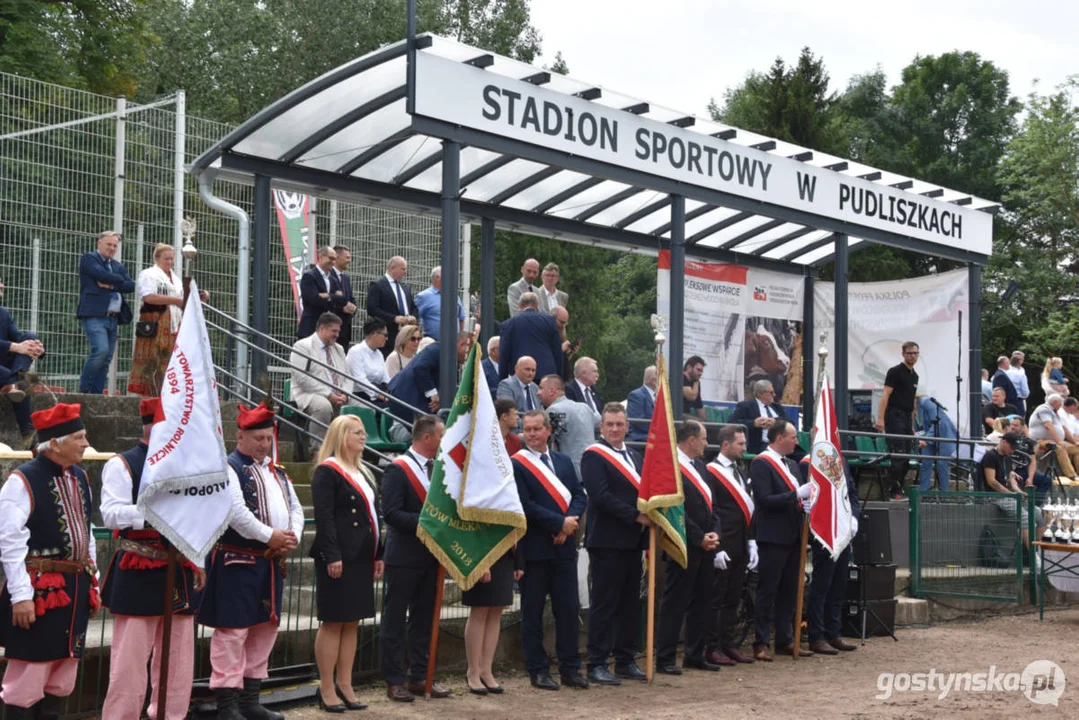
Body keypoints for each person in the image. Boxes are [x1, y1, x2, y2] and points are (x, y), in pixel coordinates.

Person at [100, 397, 205, 720]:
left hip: (180, 570)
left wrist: (197, 555)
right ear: (153, 426)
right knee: (129, 664)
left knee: (178, 663)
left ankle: (171, 716)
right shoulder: (123, 464)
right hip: (139, 568)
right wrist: (151, 513)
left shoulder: (186, 465)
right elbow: (111, 514)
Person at [198, 402, 304, 720]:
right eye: (257, 438)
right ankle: (227, 705)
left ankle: (250, 702)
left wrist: (291, 536)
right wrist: (270, 536)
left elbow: (296, 508)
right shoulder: (228, 468)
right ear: (240, 436)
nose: (264, 443)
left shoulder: (278, 472)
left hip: (270, 563)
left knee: (265, 628)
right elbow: (235, 513)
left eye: (267, 437)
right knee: (232, 632)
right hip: (236, 561)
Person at [0, 403, 97, 718]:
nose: (85, 444)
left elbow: (87, 530)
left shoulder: (80, 477)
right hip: (40, 591)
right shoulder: (22, 480)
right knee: (29, 675)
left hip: (75, 588)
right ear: (55, 443)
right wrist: (21, 596)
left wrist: (92, 582)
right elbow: (10, 542)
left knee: (63, 673)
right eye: (79, 437)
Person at [310, 415, 383, 712]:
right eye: (357, 432)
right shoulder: (328, 471)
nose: (363, 437)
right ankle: (326, 686)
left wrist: (379, 553)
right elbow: (324, 517)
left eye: (364, 433)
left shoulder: (363, 471)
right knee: (333, 621)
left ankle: (346, 683)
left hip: (362, 556)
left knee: (352, 622)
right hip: (339, 556)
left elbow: (375, 516)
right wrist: (332, 555)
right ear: (341, 436)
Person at [512, 410, 588, 691]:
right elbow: (524, 504)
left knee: (567, 611)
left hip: (564, 550)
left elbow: (579, 495)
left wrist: (568, 525)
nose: (531, 434)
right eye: (527, 429)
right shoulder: (517, 464)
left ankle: (570, 668)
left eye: (536, 429)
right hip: (535, 550)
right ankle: (538, 670)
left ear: (547, 431)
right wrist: (559, 523)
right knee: (532, 614)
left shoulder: (563, 461)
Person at [380, 416, 452, 702]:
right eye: (440, 436)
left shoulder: (438, 470)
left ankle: (420, 676)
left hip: (431, 556)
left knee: (423, 619)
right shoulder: (398, 469)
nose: (443, 441)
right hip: (404, 555)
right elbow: (392, 513)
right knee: (395, 619)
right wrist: (429, 522)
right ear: (427, 438)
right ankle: (394, 679)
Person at [579, 403, 649, 686]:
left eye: (619, 424)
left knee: (630, 604)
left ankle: (625, 659)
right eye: (610, 425)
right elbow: (600, 496)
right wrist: (636, 516)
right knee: (604, 604)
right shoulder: (593, 455)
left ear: (627, 426)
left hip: (633, 541)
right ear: (602, 427)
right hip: (607, 540)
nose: (615, 429)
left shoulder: (635, 455)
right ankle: (597, 662)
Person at [656, 420, 722, 674]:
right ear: (691, 440)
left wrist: (715, 532)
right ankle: (665, 657)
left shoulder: (701, 468)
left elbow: (712, 505)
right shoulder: (673, 467)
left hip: (706, 545)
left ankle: (695, 653)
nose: (707, 443)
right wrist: (698, 537)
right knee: (675, 603)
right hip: (683, 543)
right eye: (704, 438)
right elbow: (675, 510)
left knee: (702, 602)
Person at [750, 420, 814, 661]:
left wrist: (802, 502)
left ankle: (785, 639)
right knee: (768, 590)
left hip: (794, 533)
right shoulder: (761, 464)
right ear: (779, 438)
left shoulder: (791, 465)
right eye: (793, 437)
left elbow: (793, 499)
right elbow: (765, 499)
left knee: (790, 590)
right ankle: (761, 641)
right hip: (773, 536)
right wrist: (796, 495)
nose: (796, 442)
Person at [705, 425, 757, 666]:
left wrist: (752, 541)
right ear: (725, 445)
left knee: (733, 597)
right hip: (722, 543)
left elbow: (748, 508)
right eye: (741, 444)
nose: (745, 448)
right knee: (716, 598)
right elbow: (712, 510)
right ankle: (712, 646)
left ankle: (728, 643)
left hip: (741, 543)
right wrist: (717, 547)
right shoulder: (711, 472)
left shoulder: (740, 469)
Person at [800, 454, 860, 656]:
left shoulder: (841, 462)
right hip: (824, 531)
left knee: (838, 584)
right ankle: (817, 636)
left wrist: (854, 518)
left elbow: (851, 493)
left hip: (842, 531)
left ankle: (833, 632)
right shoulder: (807, 463)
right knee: (821, 586)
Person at [77, 230, 135, 394]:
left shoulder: (118, 265)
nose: (111, 248)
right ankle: (85, 390)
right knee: (100, 351)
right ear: (99, 243)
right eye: (109, 244)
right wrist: (118, 279)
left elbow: (130, 285)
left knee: (107, 358)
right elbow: (99, 273)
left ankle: (96, 392)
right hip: (95, 314)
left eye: (115, 246)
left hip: (113, 318)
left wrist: (110, 284)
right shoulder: (89, 259)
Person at [386, 332, 471, 431]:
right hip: (404, 396)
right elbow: (419, 367)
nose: (469, 356)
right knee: (428, 432)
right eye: (469, 349)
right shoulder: (438, 349)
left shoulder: (448, 356)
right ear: (461, 344)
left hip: (413, 399)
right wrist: (433, 394)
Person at [290, 313, 349, 453]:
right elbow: (301, 378)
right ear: (322, 328)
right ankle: (318, 452)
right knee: (323, 406)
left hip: (337, 395)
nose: (337, 335)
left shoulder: (339, 349)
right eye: (334, 331)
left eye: (338, 331)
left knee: (360, 407)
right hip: (309, 394)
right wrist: (328, 395)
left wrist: (345, 395)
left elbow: (348, 377)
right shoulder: (303, 346)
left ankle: (345, 453)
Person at [128, 243, 182, 396]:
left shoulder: (176, 279)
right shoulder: (149, 274)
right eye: (166, 258)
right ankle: (148, 396)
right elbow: (148, 296)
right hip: (154, 322)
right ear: (157, 258)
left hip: (173, 324)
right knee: (151, 359)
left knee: (169, 360)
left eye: (172, 258)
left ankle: (165, 393)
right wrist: (175, 300)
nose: (170, 262)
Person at [980, 432, 1045, 548]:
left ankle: (1037, 548)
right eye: (1012, 447)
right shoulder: (991, 455)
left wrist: (1019, 492)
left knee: (1037, 512)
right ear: (1004, 442)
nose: (1013, 451)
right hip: (994, 496)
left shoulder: (1007, 458)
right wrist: (1012, 494)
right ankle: (1032, 555)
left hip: (1007, 495)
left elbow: (1010, 478)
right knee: (1025, 516)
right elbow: (991, 481)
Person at [0, 277, 43, 448]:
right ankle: (29, 436)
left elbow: (19, 337)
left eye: (2, 281)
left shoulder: (3, 312)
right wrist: (16, 347)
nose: (2, 285)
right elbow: (16, 345)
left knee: (30, 336)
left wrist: (37, 348)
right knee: (17, 381)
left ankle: (15, 381)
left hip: (5, 368)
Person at [874, 341, 919, 500]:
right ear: (903, 354)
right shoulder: (895, 371)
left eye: (915, 353)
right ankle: (894, 490)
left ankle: (900, 487)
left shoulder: (914, 376)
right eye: (909, 353)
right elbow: (885, 394)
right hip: (895, 415)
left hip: (906, 417)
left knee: (906, 455)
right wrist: (880, 418)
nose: (912, 356)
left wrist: (912, 424)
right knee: (898, 453)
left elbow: (912, 400)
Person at [537, 374, 599, 477]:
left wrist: (520, 436)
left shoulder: (553, 411)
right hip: (592, 469)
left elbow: (542, 437)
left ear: (552, 391)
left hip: (569, 473)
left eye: (540, 388)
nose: (537, 393)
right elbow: (602, 422)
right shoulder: (585, 407)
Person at [498, 292, 564, 380]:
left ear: (519, 305)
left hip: (521, 376)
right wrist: (558, 377)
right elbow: (557, 352)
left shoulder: (509, 324)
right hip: (546, 375)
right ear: (537, 305)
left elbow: (504, 355)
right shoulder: (550, 322)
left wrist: (503, 379)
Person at [366, 256, 418, 357]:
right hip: (388, 336)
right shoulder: (377, 285)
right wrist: (394, 318)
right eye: (403, 269)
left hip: (406, 336)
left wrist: (414, 317)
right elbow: (372, 309)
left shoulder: (405, 288)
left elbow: (413, 307)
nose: (405, 272)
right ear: (392, 268)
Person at [297, 246, 346, 340]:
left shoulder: (333, 279)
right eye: (330, 258)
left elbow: (343, 300)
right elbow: (313, 300)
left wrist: (327, 296)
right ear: (321, 256)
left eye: (334, 259)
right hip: (311, 327)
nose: (333, 262)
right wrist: (334, 297)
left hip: (327, 330)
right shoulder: (309, 276)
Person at [1028, 394, 1079, 481]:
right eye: (1060, 403)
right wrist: (1059, 441)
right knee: (1059, 448)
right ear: (1055, 402)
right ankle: (1072, 475)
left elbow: (1064, 429)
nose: (1061, 405)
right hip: (1040, 440)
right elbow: (1048, 425)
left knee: (1077, 449)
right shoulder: (1044, 409)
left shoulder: (1055, 413)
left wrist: (1075, 442)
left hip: (1054, 440)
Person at [730, 379, 786, 456]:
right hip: (761, 444)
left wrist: (776, 421)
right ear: (761, 394)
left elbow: (789, 422)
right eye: (771, 392)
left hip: (781, 443)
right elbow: (732, 422)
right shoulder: (746, 406)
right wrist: (754, 423)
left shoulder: (776, 407)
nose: (774, 395)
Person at [1006, 416, 1053, 505]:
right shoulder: (1005, 438)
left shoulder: (1028, 442)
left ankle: (1035, 504)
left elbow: (1032, 461)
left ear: (1023, 427)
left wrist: (1030, 478)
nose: (1012, 427)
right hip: (1008, 469)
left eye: (1016, 425)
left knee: (1047, 480)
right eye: (1011, 424)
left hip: (1022, 470)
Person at [915, 396, 958, 492]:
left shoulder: (925, 401)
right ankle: (923, 492)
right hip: (927, 435)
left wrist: (926, 439)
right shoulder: (913, 410)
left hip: (943, 434)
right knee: (926, 463)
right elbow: (917, 428)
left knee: (942, 464)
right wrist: (919, 440)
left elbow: (937, 422)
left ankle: (944, 494)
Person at [414, 266, 465, 342]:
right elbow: (415, 318)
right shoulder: (423, 297)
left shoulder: (454, 296)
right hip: (433, 342)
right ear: (438, 278)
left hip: (453, 342)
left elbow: (461, 318)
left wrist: (460, 338)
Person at [345, 318, 391, 401]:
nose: (387, 339)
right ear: (375, 334)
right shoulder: (355, 352)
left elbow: (386, 378)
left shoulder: (379, 354)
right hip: (359, 396)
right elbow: (360, 380)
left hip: (379, 393)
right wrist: (380, 395)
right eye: (385, 335)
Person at [330, 245, 359, 349]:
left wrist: (354, 308)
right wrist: (342, 309)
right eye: (347, 257)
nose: (349, 261)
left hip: (345, 331)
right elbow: (326, 300)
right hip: (331, 328)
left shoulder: (345, 278)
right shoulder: (327, 275)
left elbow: (350, 298)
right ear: (337, 257)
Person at [625, 366, 657, 442]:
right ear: (653, 381)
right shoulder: (636, 395)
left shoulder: (659, 396)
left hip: (652, 436)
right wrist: (659, 430)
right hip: (640, 437)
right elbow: (638, 422)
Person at [682, 355, 706, 421]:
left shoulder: (695, 383)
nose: (700, 373)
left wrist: (707, 423)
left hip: (687, 416)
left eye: (701, 371)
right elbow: (691, 396)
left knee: (713, 427)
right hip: (677, 415)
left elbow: (699, 406)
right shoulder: (681, 377)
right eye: (698, 370)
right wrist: (697, 381)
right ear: (689, 368)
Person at [1006, 351, 1030, 416]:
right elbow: (1025, 392)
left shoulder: (1022, 370)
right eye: (1017, 359)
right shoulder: (1006, 369)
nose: (1019, 361)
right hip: (1014, 398)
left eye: (1020, 359)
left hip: (1021, 398)